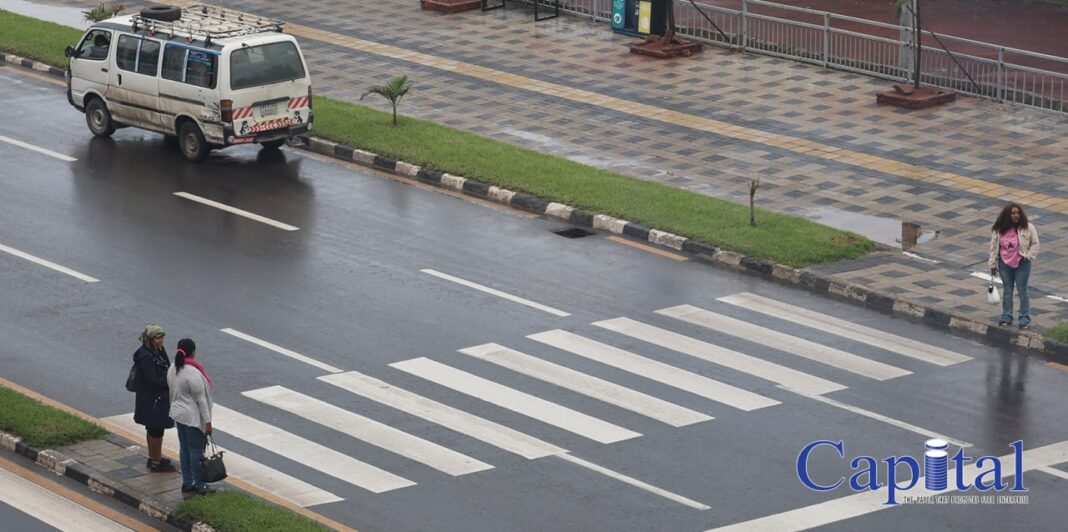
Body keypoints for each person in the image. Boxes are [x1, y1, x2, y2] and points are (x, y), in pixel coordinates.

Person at [167, 338, 216, 495]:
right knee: (195, 451)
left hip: (178, 414)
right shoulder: (193, 372)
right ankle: (199, 485)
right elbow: (201, 400)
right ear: (193, 352)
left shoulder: (172, 368)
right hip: (192, 418)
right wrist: (208, 423)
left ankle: (187, 482)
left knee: (184, 449)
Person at [988, 202, 1040, 329]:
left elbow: (1035, 243)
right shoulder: (999, 229)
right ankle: (1007, 316)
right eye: (1013, 213)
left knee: (1022, 290)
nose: (1016, 215)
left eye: (1018, 213)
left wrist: (1028, 255)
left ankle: (1024, 318)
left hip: (1022, 263)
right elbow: (993, 247)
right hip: (1004, 264)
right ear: (1007, 215)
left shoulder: (1028, 227)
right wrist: (992, 263)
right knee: (1007, 290)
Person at [133, 325, 175, 472]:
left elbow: (168, 366)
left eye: (162, 337)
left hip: (156, 399)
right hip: (153, 400)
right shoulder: (146, 357)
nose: (161, 340)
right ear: (150, 340)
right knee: (156, 430)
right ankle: (156, 461)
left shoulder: (157, 351)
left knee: (153, 429)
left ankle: (153, 457)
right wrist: (169, 380)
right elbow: (152, 381)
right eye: (158, 338)